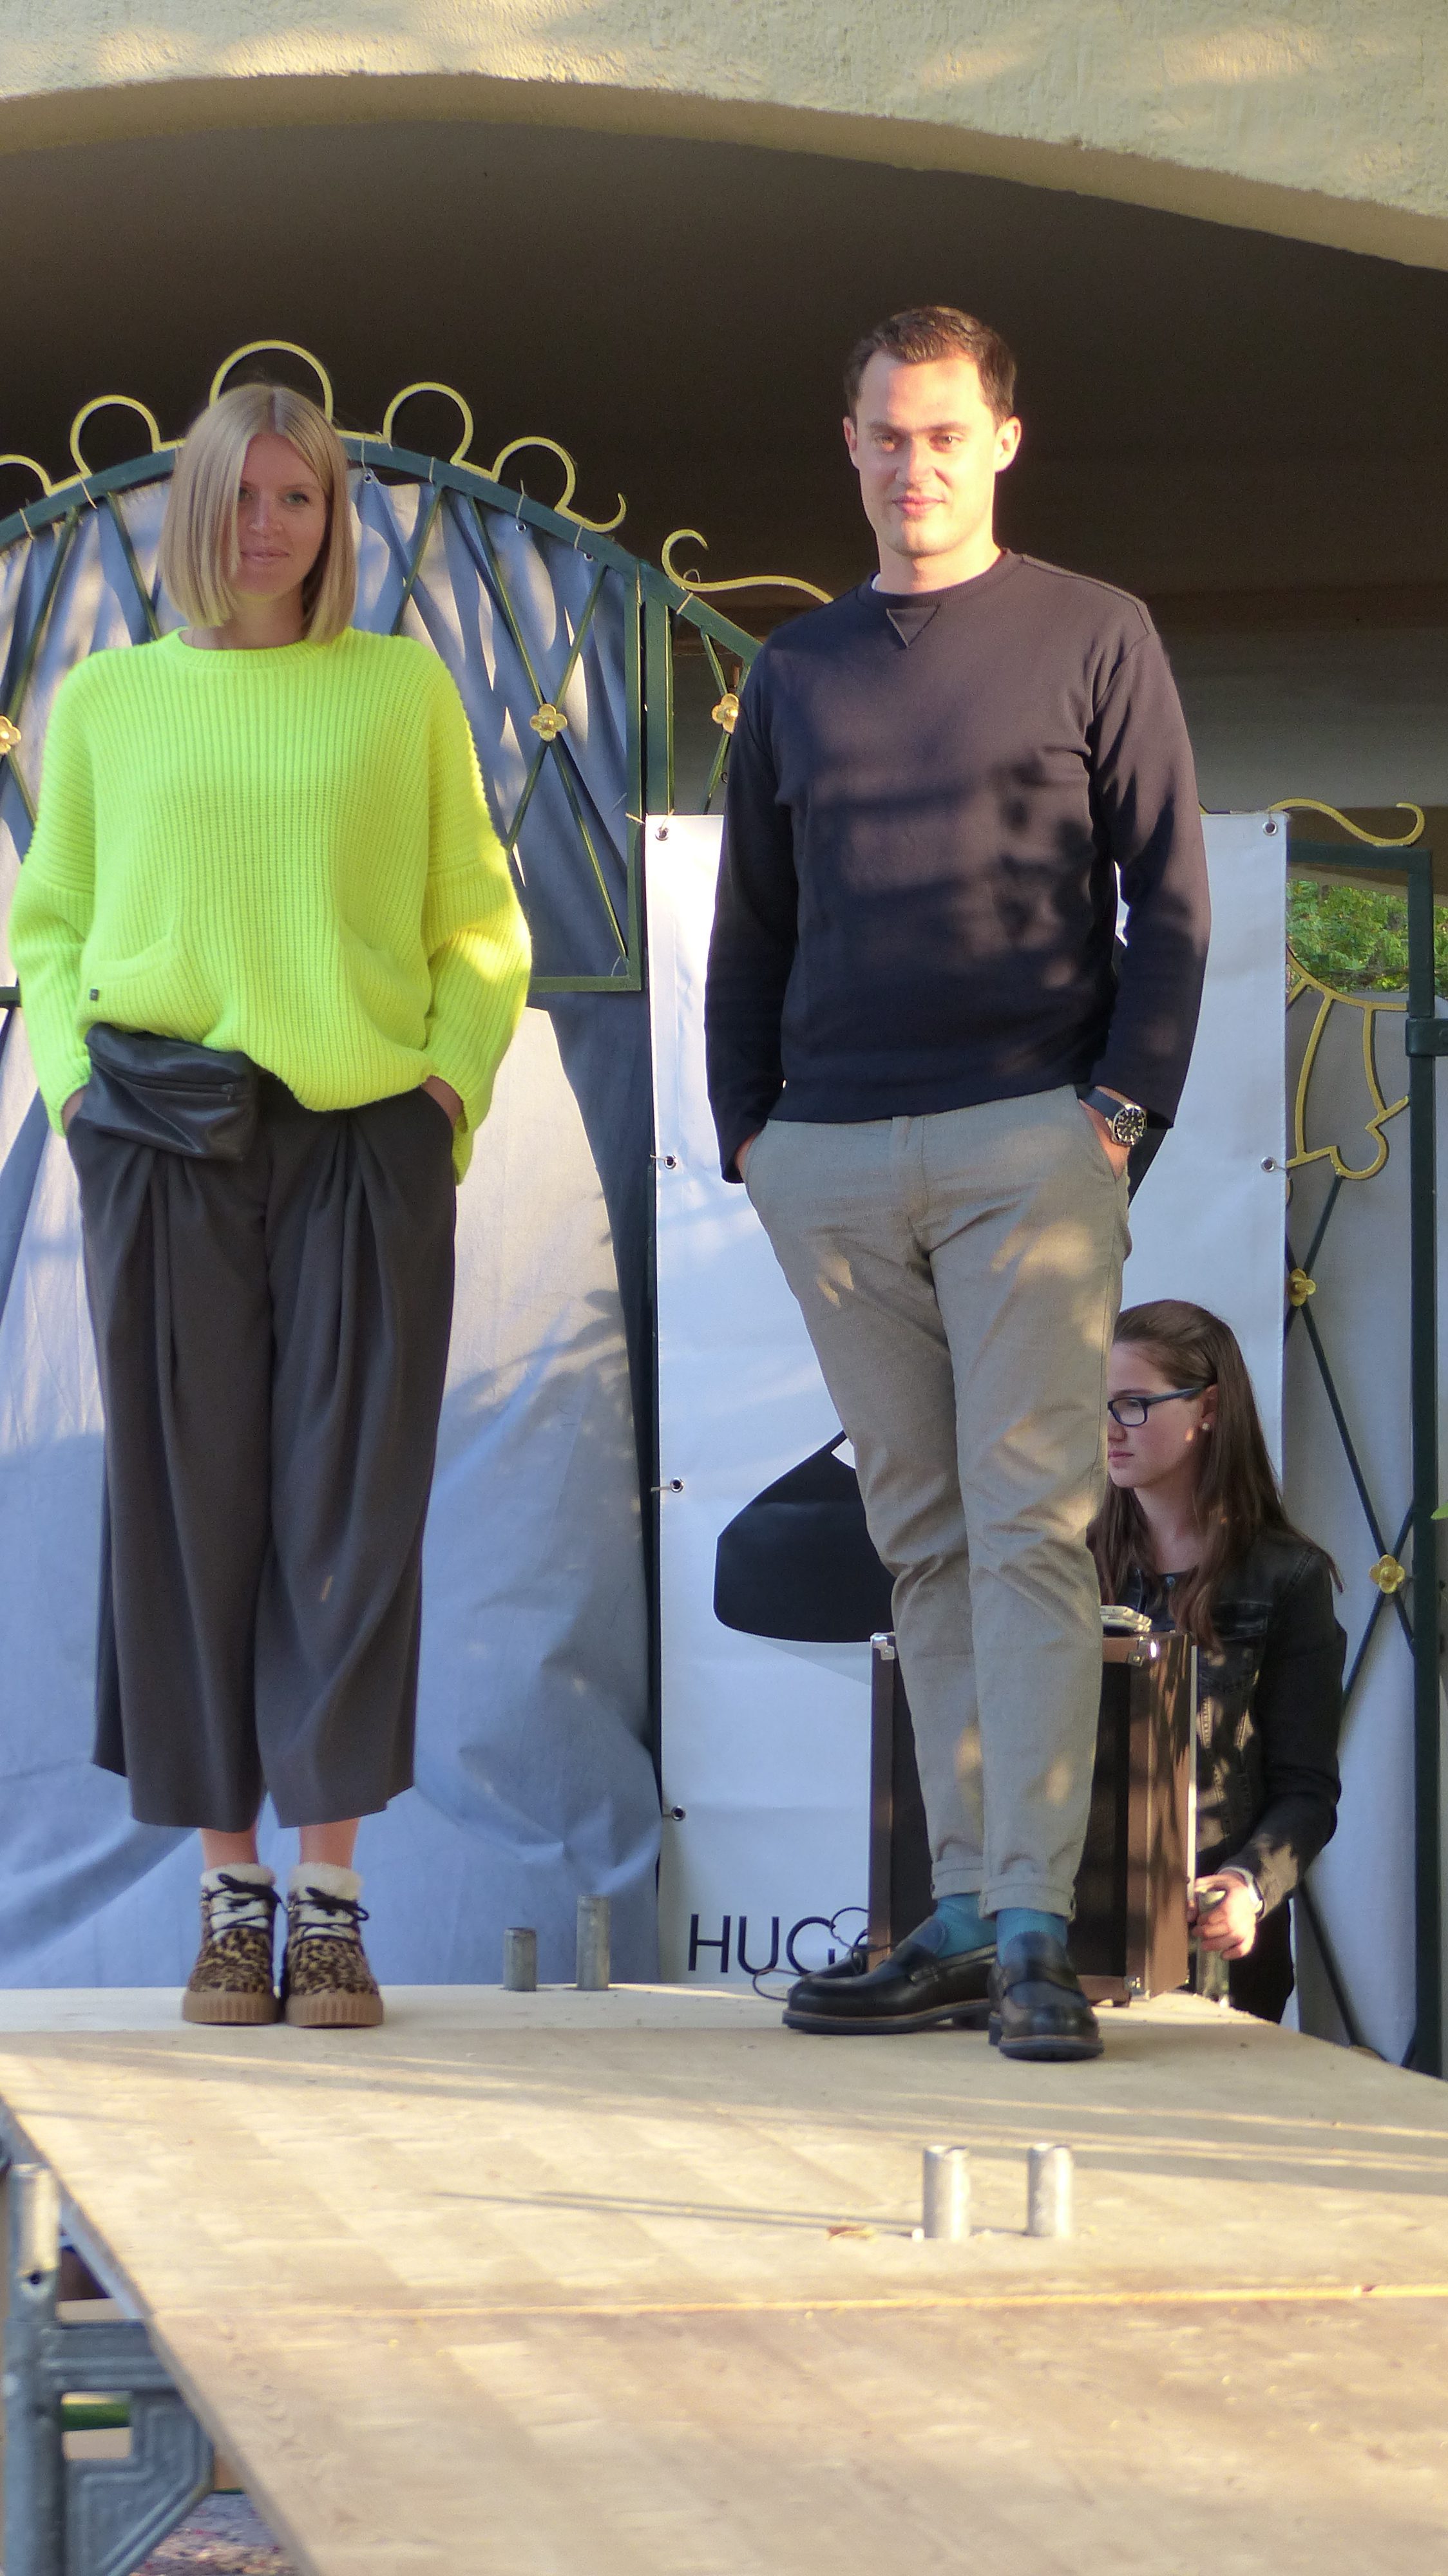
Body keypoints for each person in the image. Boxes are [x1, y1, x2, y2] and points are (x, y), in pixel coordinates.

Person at [705, 305, 1211, 2061]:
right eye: (886, 435)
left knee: (1029, 1531)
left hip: (1027, 1144)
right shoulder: (797, 671)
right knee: (918, 1539)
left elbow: (1171, 894)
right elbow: (753, 924)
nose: (913, 465)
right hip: (831, 1157)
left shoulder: (1094, 632)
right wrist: (753, 1133)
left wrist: (1119, 1112)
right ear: (848, 446)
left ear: (1001, 439)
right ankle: (964, 1916)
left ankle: (1033, 1929)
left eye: (944, 434)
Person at [8, 383, 531, 2029]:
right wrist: (78, 1094)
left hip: (363, 1138)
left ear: (333, 520)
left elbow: (476, 919)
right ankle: (228, 1900)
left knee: (348, 1520)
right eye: (241, 494)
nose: (267, 525)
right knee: (190, 1510)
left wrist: (445, 1088)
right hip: (162, 1132)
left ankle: (332, 1905)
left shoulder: (399, 689)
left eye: (298, 497)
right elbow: (50, 923)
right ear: (194, 510)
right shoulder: (109, 700)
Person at [1091, 1300, 1344, 2023]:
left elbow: (1306, 1789)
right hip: (1077, 1938)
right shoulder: (1069, 1563)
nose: (1109, 1428)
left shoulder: (1288, 1577)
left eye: (1133, 1403)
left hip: (1215, 1961)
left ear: (1208, 1408)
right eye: (1098, 1404)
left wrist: (1246, 1886)